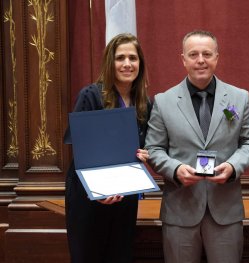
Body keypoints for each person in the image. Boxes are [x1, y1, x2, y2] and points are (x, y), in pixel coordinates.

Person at [145, 30, 249, 263]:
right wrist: (175, 170)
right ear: (183, 59)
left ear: (217, 58)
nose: (201, 60)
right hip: (180, 211)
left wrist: (233, 166)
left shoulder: (239, 98)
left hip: (225, 211)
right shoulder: (163, 101)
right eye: (194, 54)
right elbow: (154, 149)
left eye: (207, 54)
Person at [64, 33, 151, 263]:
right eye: (120, 57)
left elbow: (144, 145)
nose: (127, 64)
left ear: (140, 64)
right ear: (109, 63)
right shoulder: (90, 95)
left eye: (133, 58)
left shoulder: (144, 102)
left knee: (119, 255)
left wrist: (144, 154)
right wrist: (99, 191)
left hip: (125, 196)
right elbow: (81, 150)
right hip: (89, 196)